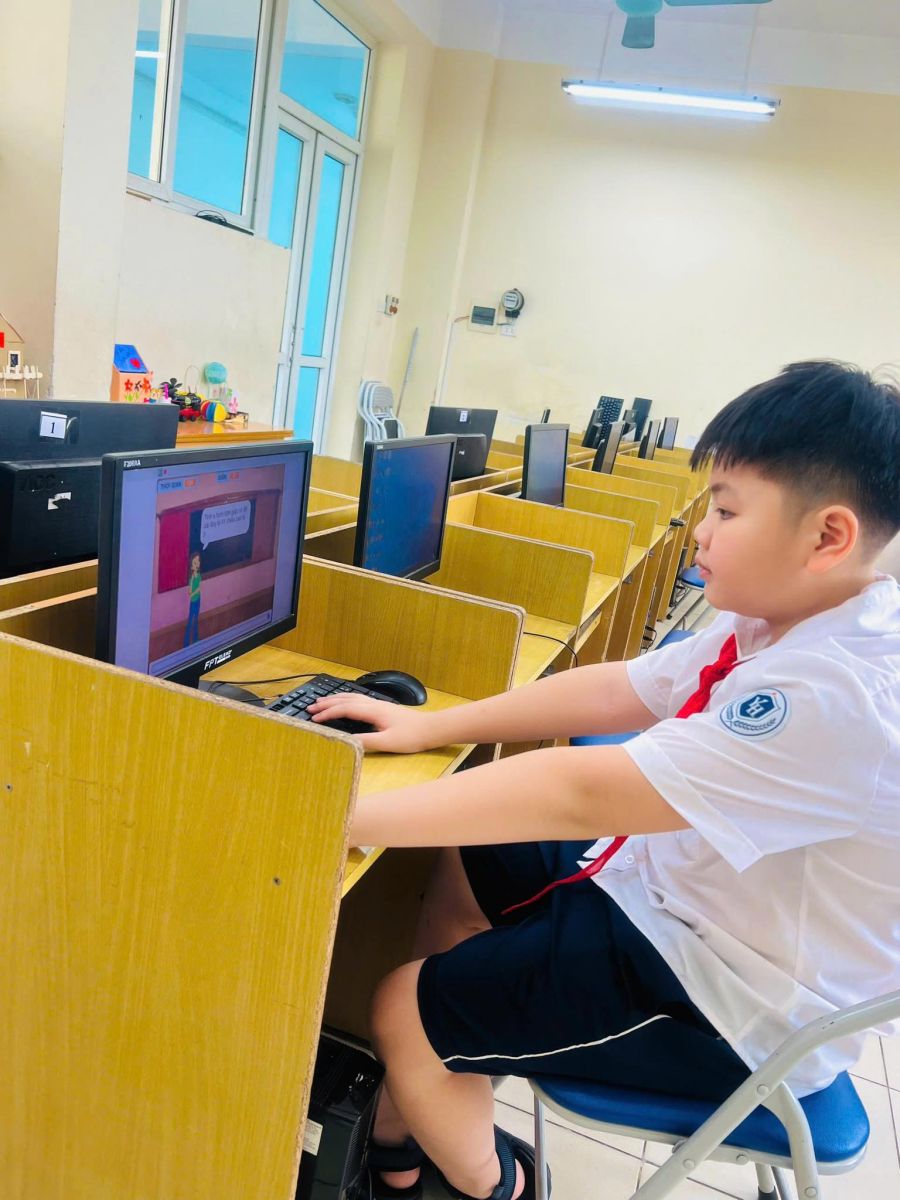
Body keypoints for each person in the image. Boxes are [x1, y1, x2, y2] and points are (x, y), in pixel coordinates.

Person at [311, 361, 900, 1200]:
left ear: (828, 537)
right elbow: (624, 687)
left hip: (729, 998)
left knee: (399, 1009)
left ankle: (491, 1183)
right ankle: (431, 1086)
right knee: (466, 856)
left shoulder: (839, 693)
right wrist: (432, 726)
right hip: (677, 900)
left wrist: (334, 816)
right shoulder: (791, 620)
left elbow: (582, 791)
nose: (701, 532)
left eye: (726, 510)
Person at [184, 550, 202, 646]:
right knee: (191, 621)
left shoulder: (198, 575)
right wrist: (195, 590)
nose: (197, 564)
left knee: (196, 620)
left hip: (198, 599)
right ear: (191, 565)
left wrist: (196, 592)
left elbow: (199, 588)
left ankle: (195, 639)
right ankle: (186, 643)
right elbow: (190, 593)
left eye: (198, 561)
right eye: (195, 562)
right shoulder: (192, 578)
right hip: (193, 601)